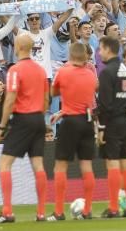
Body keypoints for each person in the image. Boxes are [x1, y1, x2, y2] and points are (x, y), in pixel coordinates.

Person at [0, 33, 50, 224]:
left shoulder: (15, 70)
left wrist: (2, 125)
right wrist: (39, 118)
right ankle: (41, 212)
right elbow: (46, 99)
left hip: (23, 119)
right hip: (38, 118)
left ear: (18, 47)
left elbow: (10, 100)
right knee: (38, 165)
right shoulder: (41, 70)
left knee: (4, 164)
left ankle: (7, 211)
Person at [49, 42, 99, 220]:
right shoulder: (91, 74)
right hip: (87, 121)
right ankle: (88, 210)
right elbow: (89, 97)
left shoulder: (64, 71)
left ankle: (59, 211)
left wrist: (64, 109)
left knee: (61, 166)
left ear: (71, 55)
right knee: (86, 165)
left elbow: (54, 92)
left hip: (70, 122)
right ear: (85, 56)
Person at [95, 36, 126, 218]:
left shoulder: (106, 72)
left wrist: (102, 127)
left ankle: (113, 207)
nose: (99, 52)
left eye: (100, 49)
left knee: (112, 164)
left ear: (107, 49)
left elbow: (104, 104)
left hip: (112, 122)